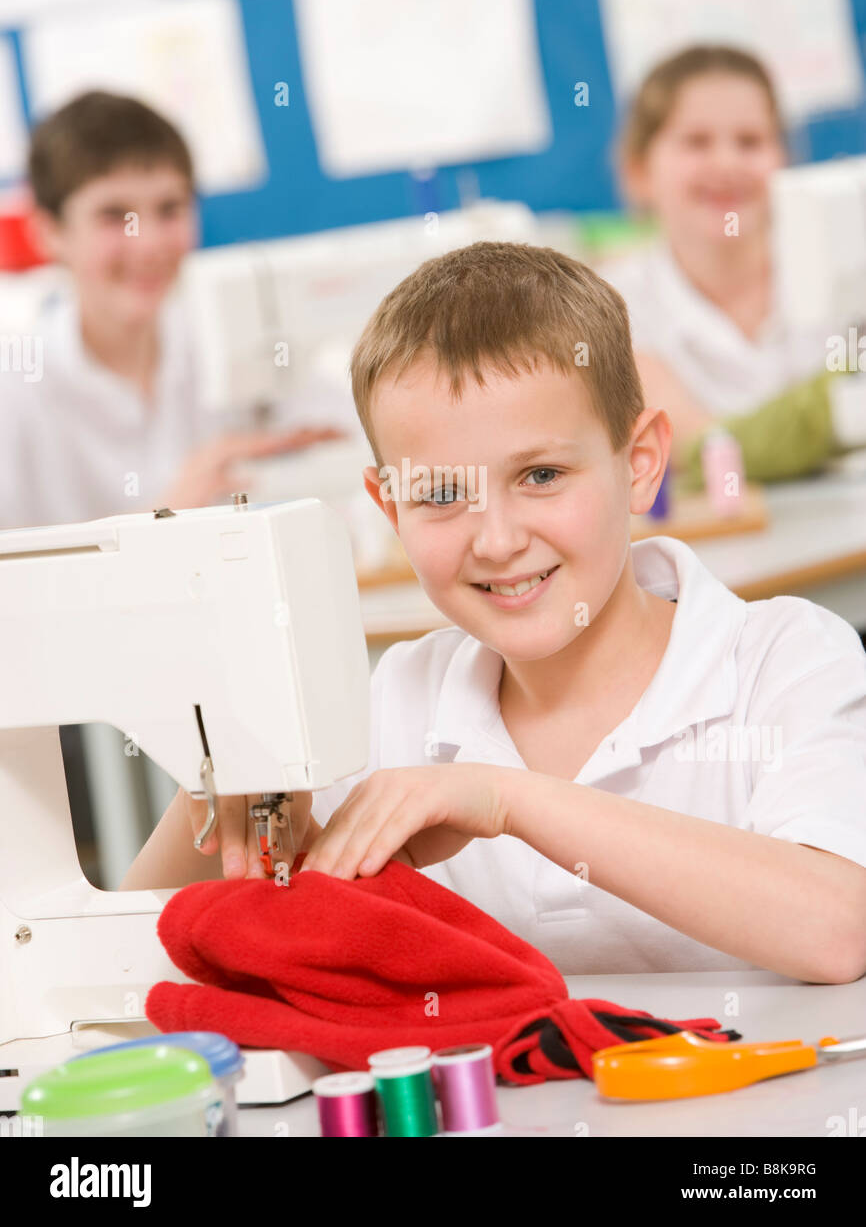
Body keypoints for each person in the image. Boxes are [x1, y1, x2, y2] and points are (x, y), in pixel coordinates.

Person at [122, 241, 866, 982]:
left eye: (541, 475)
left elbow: (839, 930)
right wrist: (227, 773)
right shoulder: (395, 702)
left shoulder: (785, 660)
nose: (499, 540)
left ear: (638, 465)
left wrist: (509, 800)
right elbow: (131, 944)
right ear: (389, 507)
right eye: (441, 495)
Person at [0, 91, 353, 530]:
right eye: (114, 215)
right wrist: (164, 518)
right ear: (49, 232)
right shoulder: (15, 387)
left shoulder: (225, 337)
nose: (149, 245)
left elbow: (349, 439)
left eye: (170, 209)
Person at [597, 45, 866, 476]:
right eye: (696, 142)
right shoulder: (613, 308)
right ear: (639, 171)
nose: (726, 162)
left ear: (784, 161)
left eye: (750, 141)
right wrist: (831, 404)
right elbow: (707, 452)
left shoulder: (847, 263)